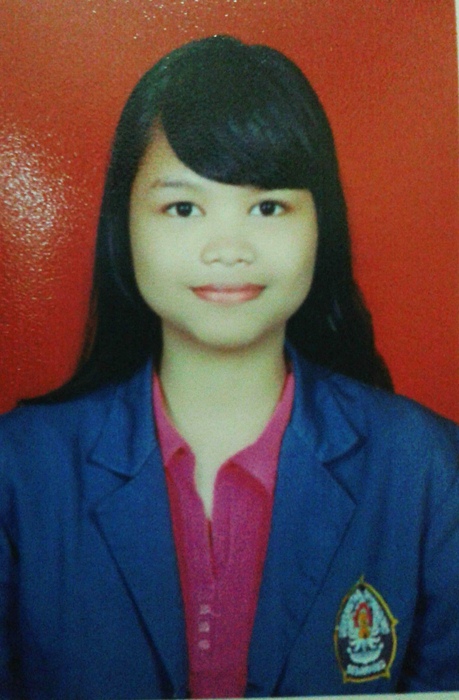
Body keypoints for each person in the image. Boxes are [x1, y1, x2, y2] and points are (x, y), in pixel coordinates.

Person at [0, 35, 458, 700]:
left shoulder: (428, 469)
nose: (227, 248)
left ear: (321, 224)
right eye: (183, 208)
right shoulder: (17, 471)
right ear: (124, 224)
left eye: (267, 206)